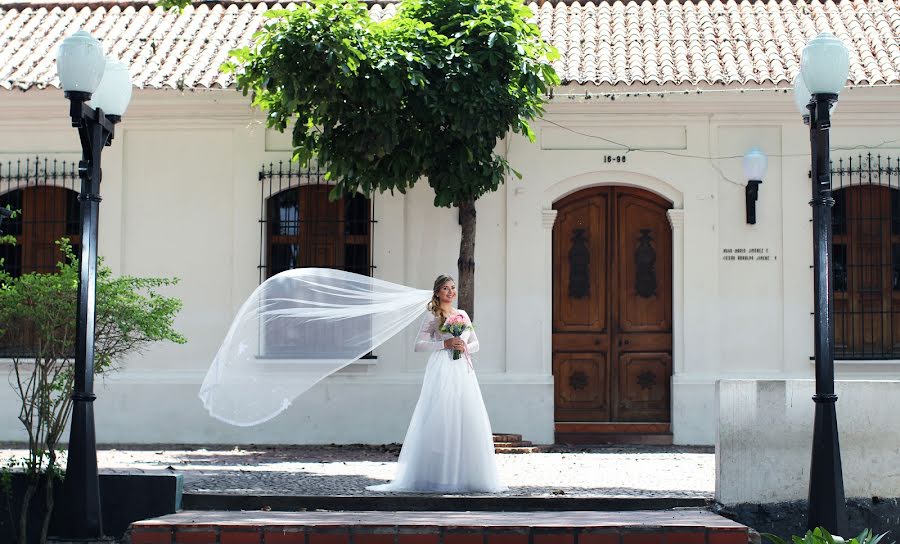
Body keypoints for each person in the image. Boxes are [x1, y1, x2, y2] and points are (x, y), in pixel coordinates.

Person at [367, 275, 506, 493]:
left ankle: (467, 474)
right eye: (445, 288)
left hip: (463, 370)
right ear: (437, 292)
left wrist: (464, 347)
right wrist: (445, 343)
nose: (451, 292)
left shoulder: (462, 315)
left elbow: (476, 343)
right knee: (442, 415)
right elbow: (419, 345)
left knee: (465, 414)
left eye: (453, 288)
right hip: (442, 368)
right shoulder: (433, 316)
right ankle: (438, 475)